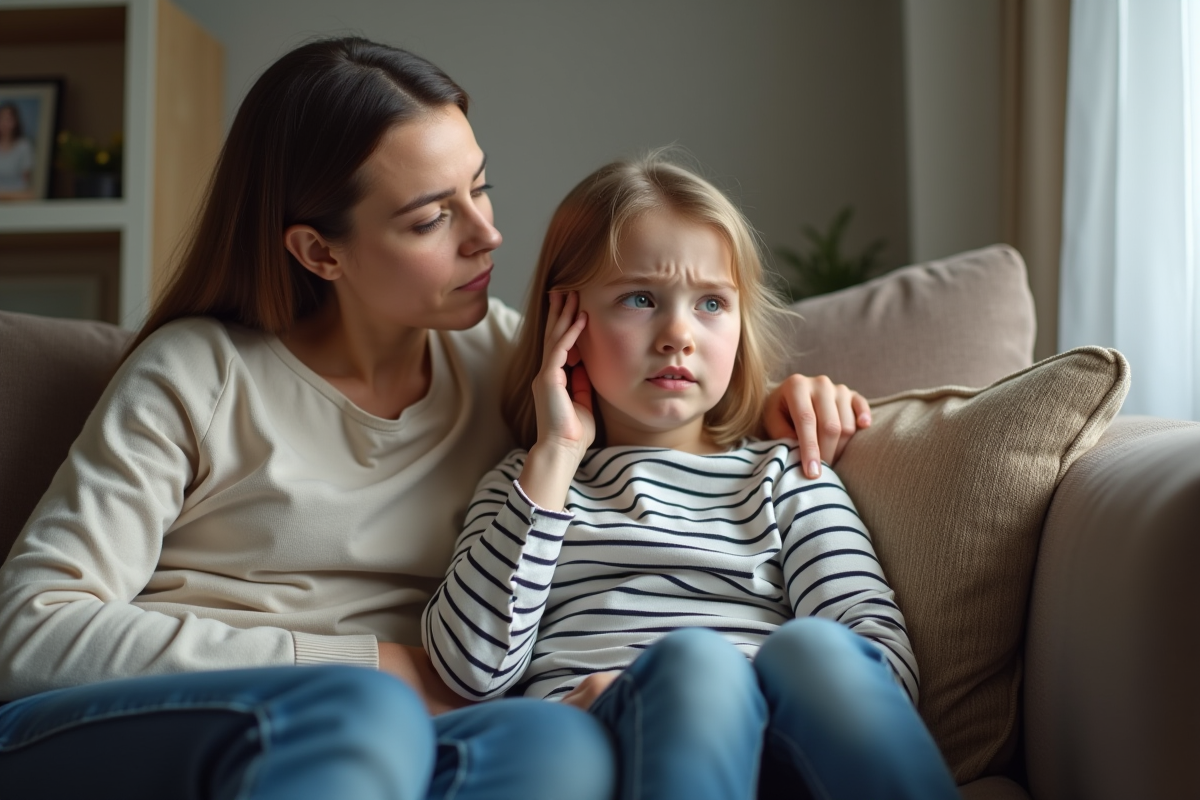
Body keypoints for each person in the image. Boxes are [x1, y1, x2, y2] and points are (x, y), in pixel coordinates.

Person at [0, 38, 869, 799]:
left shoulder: (503, 357)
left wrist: (780, 402)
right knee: (364, 708)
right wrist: (374, 667)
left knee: (556, 742)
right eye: (431, 218)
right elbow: (30, 629)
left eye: (480, 191)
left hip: (417, 720)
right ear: (318, 251)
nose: (487, 236)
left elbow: (659, 378)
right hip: (175, 720)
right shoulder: (196, 372)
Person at [423, 155, 959, 800]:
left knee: (818, 650)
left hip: (776, 744)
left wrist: (749, 689)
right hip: (613, 747)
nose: (678, 334)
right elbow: (468, 670)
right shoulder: (527, 487)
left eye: (711, 303)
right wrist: (555, 455)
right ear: (567, 319)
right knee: (696, 660)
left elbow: (880, 663)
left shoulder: (787, 472)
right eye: (639, 298)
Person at [0, 102, 36, 199]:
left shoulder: (23, 146)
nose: (4, 123)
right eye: (1, 119)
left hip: (17, 195)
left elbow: (26, 178)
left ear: (15, 122)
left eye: (8, 119)